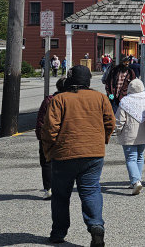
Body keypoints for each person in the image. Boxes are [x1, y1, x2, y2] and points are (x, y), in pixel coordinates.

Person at [39, 65, 114, 246]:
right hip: (93, 153)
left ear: (70, 80)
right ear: (87, 80)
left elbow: (50, 129)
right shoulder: (100, 98)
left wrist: (48, 149)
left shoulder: (59, 99)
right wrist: (101, 140)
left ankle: (58, 232)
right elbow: (110, 122)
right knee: (90, 190)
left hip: (64, 154)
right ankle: (96, 225)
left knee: (61, 195)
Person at [114, 78, 145, 195]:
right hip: (144, 134)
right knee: (139, 156)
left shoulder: (125, 101)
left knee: (131, 158)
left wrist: (116, 130)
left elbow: (120, 120)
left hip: (129, 134)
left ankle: (135, 181)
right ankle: (137, 180)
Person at [36, 78, 68, 199]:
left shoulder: (48, 100)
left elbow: (40, 120)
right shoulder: (70, 100)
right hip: (65, 136)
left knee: (46, 162)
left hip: (48, 135)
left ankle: (49, 188)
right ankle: (63, 186)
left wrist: (40, 136)